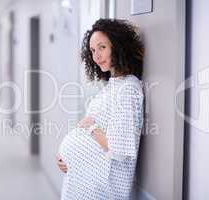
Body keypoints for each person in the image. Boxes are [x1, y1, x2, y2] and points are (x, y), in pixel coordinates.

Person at [56, 19, 144, 199]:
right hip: (83, 184)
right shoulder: (114, 85)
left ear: (118, 46)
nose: (96, 56)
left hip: (101, 191)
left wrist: (90, 127)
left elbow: (120, 149)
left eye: (102, 47)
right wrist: (66, 159)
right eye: (93, 50)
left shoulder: (128, 89)